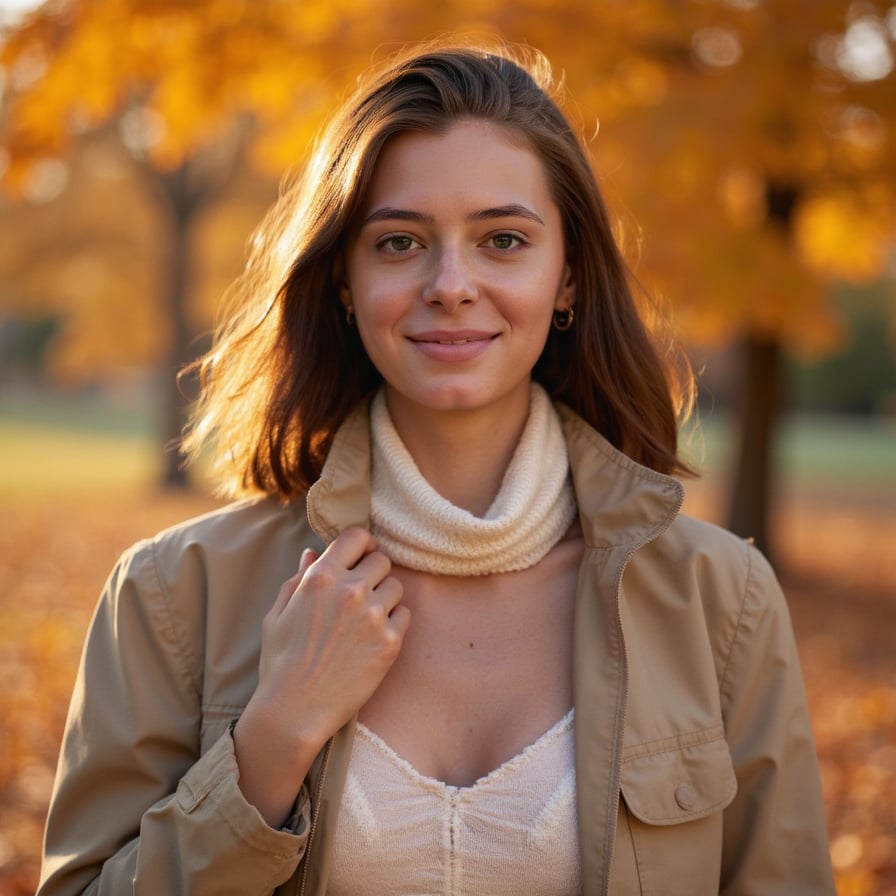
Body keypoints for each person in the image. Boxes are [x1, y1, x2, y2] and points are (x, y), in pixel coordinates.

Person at [38, 39, 836, 896]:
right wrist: (269, 743)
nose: (451, 283)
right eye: (398, 243)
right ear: (343, 281)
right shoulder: (174, 594)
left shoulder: (723, 601)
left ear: (567, 277)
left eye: (502, 239)